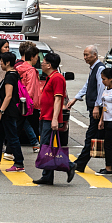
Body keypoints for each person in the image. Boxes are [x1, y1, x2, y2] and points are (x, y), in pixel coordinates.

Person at [34, 52, 73, 185]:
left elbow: (58, 100)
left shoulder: (57, 78)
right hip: (45, 116)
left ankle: (69, 165)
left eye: (43, 62)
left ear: (49, 65)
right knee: (47, 147)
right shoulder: (51, 77)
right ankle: (47, 175)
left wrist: (55, 119)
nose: (42, 64)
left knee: (46, 145)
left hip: (50, 118)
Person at [66, 45, 104, 172]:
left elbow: (101, 89)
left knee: (91, 136)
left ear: (95, 55)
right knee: (100, 137)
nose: (85, 57)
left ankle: (80, 164)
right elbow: (87, 85)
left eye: (87, 55)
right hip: (93, 108)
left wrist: (97, 106)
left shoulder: (100, 69)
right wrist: (75, 99)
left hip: (97, 110)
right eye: (84, 54)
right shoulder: (93, 69)